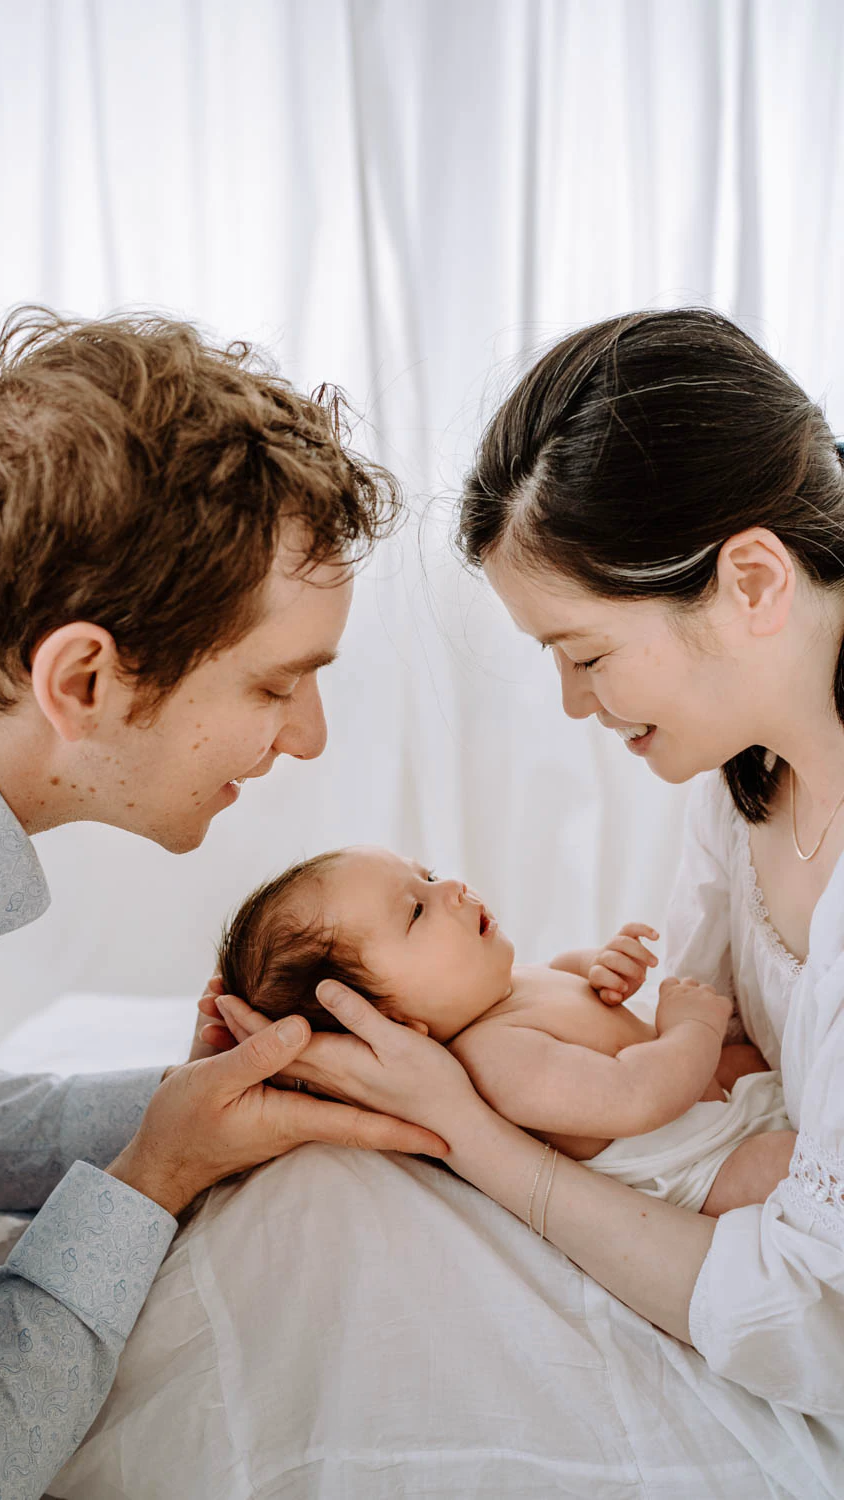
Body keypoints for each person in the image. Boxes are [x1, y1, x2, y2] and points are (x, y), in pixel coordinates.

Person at [177, 308, 844, 1497]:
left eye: (584, 654)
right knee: (310, 1207)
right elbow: (691, 1032)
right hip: (733, 1209)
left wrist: (477, 1137)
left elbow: (816, 1320)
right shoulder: (743, 784)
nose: (575, 706)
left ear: (750, 581)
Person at [0, 306, 450, 1497]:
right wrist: (147, 1184)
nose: (309, 737)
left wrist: (171, 1113)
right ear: (80, 676)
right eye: (275, 683)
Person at [217, 844, 793, 1215]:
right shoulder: (495, 1060)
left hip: (714, 1106)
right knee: (788, 1169)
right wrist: (691, 1030)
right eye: (417, 910)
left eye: (431, 876)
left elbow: (577, 991)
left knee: (762, 1063)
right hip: (698, 1168)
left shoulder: (509, 984)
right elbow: (638, 1096)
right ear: (393, 1023)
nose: (453, 889)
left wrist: (604, 968)